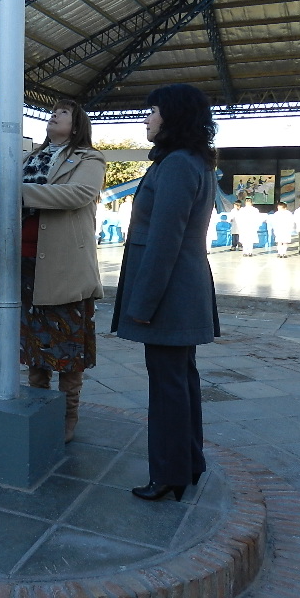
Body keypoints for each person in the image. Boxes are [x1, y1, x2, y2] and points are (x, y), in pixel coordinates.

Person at [112, 84, 219, 502]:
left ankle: (170, 473)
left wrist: (142, 304)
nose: (147, 118)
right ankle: (187, 463)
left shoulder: (175, 164)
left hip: (169, 294)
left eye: (153, 110)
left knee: (168, 387)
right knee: (179, 380)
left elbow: (164, 241)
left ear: (173, 115)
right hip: (179, 290)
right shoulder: (188, 160)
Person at [20, 101, 105, 443]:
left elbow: (78, 194)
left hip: (64, 267)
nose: (53, 115)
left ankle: (69, 414)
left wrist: (18, 192)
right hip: (24, 265)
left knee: (69, 346)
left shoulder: (89, 159)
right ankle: (38, 409)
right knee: (33, 346)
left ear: (77, 125)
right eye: (52, 112)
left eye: (63, 113)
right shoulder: (28, 158)